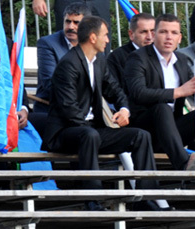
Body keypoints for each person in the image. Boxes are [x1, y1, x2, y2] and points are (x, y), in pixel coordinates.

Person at [43, 16, 160, 211]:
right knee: (90, 134)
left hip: (92, 130)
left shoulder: (99, 62)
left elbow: (116, 91)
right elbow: (68, 108)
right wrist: (98, 126)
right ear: (92, 38)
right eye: (105, 35)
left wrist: (124, 110)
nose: (108, 40)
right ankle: (93, 199)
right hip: (65, 132)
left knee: (140, 135)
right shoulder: (68, 64)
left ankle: (146, 199)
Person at [124, 13, 195, 172]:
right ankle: (184, 163)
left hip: (174, 130)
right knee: (162, 108)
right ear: (154, 34)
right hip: (146, 132)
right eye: (163, 32)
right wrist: (178, 92)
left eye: (173, 33)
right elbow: (139, 93)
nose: (168, 37)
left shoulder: (180, 61)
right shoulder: (138, 58)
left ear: (179, 38)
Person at [34, 3, 91, 113]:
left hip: (85, 111)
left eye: (76, 23)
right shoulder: (48, 44)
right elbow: (50, 84)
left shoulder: (92, 43)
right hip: (53, 110)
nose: (70, 27)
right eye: (67, 21)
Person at [106, 13, 155, 93]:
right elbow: (114, 90)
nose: (149, 37)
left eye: (153, 31)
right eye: (144, 32)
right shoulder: (116, 57)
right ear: (131, 34)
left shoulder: (163, 55)